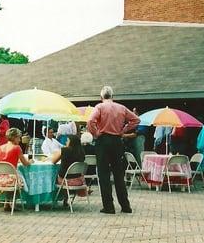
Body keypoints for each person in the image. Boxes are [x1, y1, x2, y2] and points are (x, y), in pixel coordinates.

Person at [87, 86, 139, 214]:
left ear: (101, 97)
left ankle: (109, 206)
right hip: (117, 141)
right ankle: (125, 205)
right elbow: (136, 120)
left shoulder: (99, 107)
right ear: (112, 96)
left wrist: (96, 133)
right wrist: (123, 130)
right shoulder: (121, 108)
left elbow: (90, 121)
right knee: (119, 175)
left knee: (104, 175)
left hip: (103, 140)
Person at [0, 128, 33, 211]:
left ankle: (6, 202)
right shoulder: (16, 148)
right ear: (14, 137)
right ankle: (12, 202)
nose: (19, 140)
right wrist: (30, 161)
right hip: (10, 178)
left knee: (13, 175)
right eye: (19, 138)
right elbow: (25, 164)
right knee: (20, 179)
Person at [51, 134, 87, 207]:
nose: (66, 142)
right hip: (79, 180)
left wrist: (60, 151)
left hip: (66, 180)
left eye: (67, 140)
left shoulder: (65, 150)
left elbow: (53, 161)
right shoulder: (82, 152)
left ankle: (55, 198)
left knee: (54, 177)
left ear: (71, 142)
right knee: (65, 174)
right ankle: (65, 199)